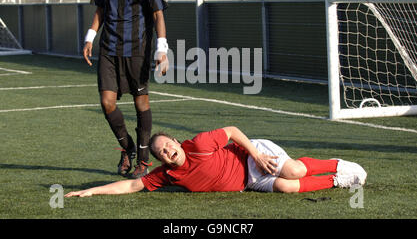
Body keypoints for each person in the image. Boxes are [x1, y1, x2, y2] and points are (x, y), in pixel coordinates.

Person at [82, 0, 169, 179]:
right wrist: (90, 37)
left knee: (141, 103)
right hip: (109, 48)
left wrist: (161, 49)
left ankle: (143, 161)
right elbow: (100, 9)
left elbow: (158, 14)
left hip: (138, 50)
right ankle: (128, 147)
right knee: (106, 103)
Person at [65, 126, 367, 197]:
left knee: (294, 169)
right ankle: (336, 180)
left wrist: (256, 153)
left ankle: (336, 163)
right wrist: (90, 191)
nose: (168, 152)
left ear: (175, 141)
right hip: (249, 182)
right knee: (289, 188)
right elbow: (132, 184)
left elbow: (233, 131)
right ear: (161, 159)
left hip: (251, 156)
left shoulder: (197, 144)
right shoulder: (167, 175)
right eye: (162, 153)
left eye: (168, 145)